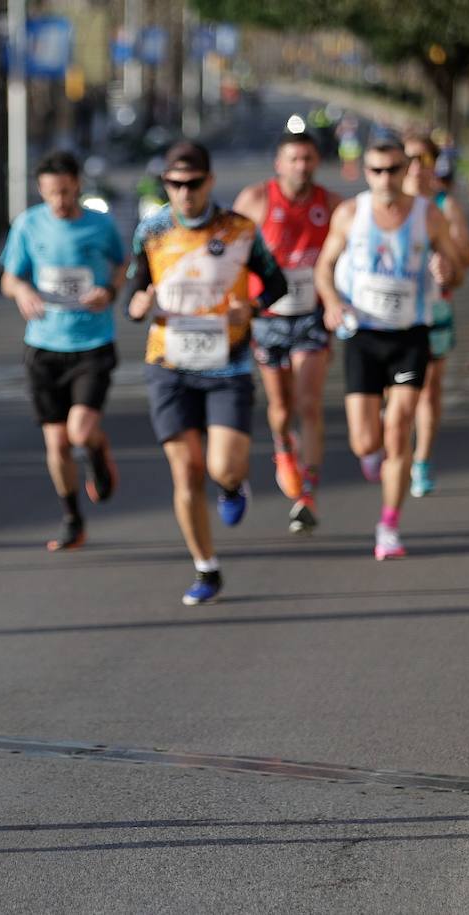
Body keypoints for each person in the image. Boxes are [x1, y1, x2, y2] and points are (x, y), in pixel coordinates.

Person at [126, 141, 288, 604]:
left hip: (227, 363)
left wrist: (251, 308)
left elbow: (274, 281)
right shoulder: (152, 230)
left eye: (193, 183)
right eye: (175, 185)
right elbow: (138, 287)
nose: (184, 193)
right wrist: (136, 305)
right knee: (186, 470)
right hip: (168, 363)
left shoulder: (239, 230)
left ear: (209, 182)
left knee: (221, 465)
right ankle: (205, 566)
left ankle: (233, 484)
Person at [314, 138, 461, 560]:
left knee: (399, 429)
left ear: (405, 170)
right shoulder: (350, 214)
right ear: (366, 173)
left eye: (393, 169)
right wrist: (331, 302)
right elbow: (324, 267)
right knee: (365, 441)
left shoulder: (427, 215)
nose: (386, 179)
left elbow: (455, 271)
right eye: (377, 171)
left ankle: (389, 526)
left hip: (410, 334)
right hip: (362, 334)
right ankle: (371, 452)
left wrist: (444, 269)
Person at [0, 150, 127, 552]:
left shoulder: (100, 225)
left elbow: (122, 266)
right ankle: (72, 517)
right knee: (56, 444)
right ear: (41, 190)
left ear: (78, 186)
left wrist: (108, 290)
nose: (60, 201)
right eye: (52, 193)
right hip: (43, 346)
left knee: (80, 431)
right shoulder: (28, 225)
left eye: (67, 192)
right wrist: (22, 291)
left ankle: (97, 449)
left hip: (91, 342)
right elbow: (10, 277)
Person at [232, 132, 342, 534]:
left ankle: (308, 493)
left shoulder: (331, 205)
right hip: (268, 318)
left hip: (311, 316)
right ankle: (283, 449)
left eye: (308, 158)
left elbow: (350, 252)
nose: (302, 166)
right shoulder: (257, 200)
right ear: (279, 164)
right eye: (294, 159)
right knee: (280, 409)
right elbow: (230, 253)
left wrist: (337, 299)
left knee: (309, 402)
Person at [403, 134, 469, 498]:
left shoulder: (446, 207)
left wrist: (449, 269)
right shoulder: (383, 208)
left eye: (422, 161)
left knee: (429, 389)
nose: (414, 168)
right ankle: (397, 444)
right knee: (396, 390)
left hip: (434, 310)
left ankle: (422, 460)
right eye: (408, 160)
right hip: (389, 315)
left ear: (432, 167)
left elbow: (462, 267)